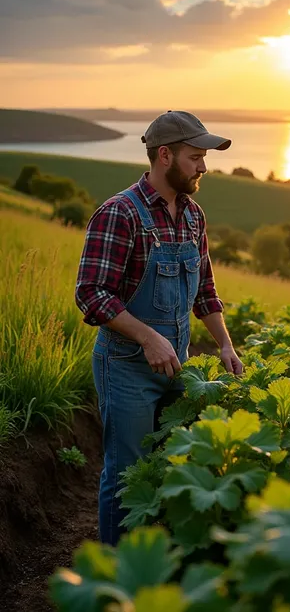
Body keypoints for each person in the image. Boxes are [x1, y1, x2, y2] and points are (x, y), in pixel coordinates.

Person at [75, 110, 243, 546]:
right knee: (127, 475)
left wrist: (224, 344)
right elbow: (91, 294)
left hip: (177, 365)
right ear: (164, 155)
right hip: (127, 367)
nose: (203, 167)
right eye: (195, 157)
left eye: (204, 157)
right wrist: (148, 337)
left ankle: (156, 554)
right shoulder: (119, 214)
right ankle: (117, 571)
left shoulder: (193, 215)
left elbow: (204, 288)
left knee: (170, 466)